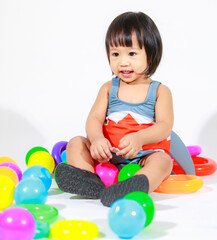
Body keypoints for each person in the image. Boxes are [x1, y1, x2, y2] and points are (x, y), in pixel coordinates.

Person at [55, 11, 174, 207]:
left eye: (132, 53)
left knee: (163, 162)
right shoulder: (109, 88)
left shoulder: (160, 91)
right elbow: (94, 118)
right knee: (76, 143)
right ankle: (89, 180)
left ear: (150, 56)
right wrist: (97, 140)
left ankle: (135, 184)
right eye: (116, 54)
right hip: (108, 154)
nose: (123, 62)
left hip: (144, 156)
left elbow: (164, 126)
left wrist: (139, 138)